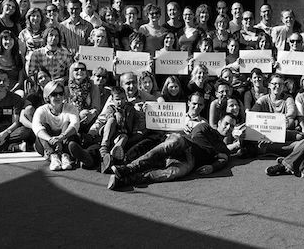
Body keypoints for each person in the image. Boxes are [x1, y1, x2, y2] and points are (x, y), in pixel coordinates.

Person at [107, 95, 235, 190]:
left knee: (172, 173)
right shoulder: (204, 126)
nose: (228, 127)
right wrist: (214, 153)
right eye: (226, 124)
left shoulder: (223, 148)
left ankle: (124, 181)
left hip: (190, 160)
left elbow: (223, 160)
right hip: (184, 143)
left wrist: (212, 167)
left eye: (232, 126)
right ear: (219, 123)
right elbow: (196, 135)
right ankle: (127, 168)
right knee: (168, 146)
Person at [32, 81, 84, 171]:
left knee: (67, 124)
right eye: (54, 94)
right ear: (47, 96)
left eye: (61, 93)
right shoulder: (41, 110)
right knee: (43, 126)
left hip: (64, 141)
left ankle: (65, 155)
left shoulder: (70, 108)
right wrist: (51, 140)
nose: (58, 97)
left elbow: (75, 124)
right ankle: (53, 156)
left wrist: (61, 137)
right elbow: (36, 126)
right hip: (46, 144)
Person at [97, 86, 145, 173]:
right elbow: (108, 116)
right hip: (111, 133)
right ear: (112, 99)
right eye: (117, 99)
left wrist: (136, 130)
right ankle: (104, 148)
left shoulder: (130, 108)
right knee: (111, 120)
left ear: (126, 98)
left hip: (122, 135)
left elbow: (135, 120)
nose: (120, 101)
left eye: (123, 98)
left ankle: (112, 156)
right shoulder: (111, 108)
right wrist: (115, 114)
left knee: (124, 137)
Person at [0, 30, 24, 97]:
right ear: (1, 41)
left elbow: (20, 81)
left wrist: (11, 92)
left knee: (21, 94)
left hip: (14, 90)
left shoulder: (19, 56)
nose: (8, 42)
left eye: (11, 39)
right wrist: (1, 90)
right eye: (6, 39)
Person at [65, 62, 99, 131]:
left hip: (88, 117)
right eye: (76, 69)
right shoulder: (66, 87)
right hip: (70, 117)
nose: (80, 71)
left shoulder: (93, 86)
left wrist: (92, 113)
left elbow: (96, 107)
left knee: (85, 113)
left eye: (82, 69)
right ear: (71, 72)